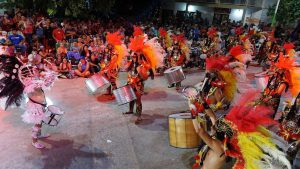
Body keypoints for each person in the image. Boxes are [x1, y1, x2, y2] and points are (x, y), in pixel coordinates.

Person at [0, 55, 58, 149]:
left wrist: (48, 71)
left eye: (34, 70)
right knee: (38, 123)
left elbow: (43, 81)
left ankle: (38, 135)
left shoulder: (33, 81)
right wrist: (51, 72)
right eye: (33, 71)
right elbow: (46, 83)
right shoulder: (29, 85)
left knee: (41, 121)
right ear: (27, 75)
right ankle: (34, 141)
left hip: (41, 103)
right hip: (36, 107)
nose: (35, 70)